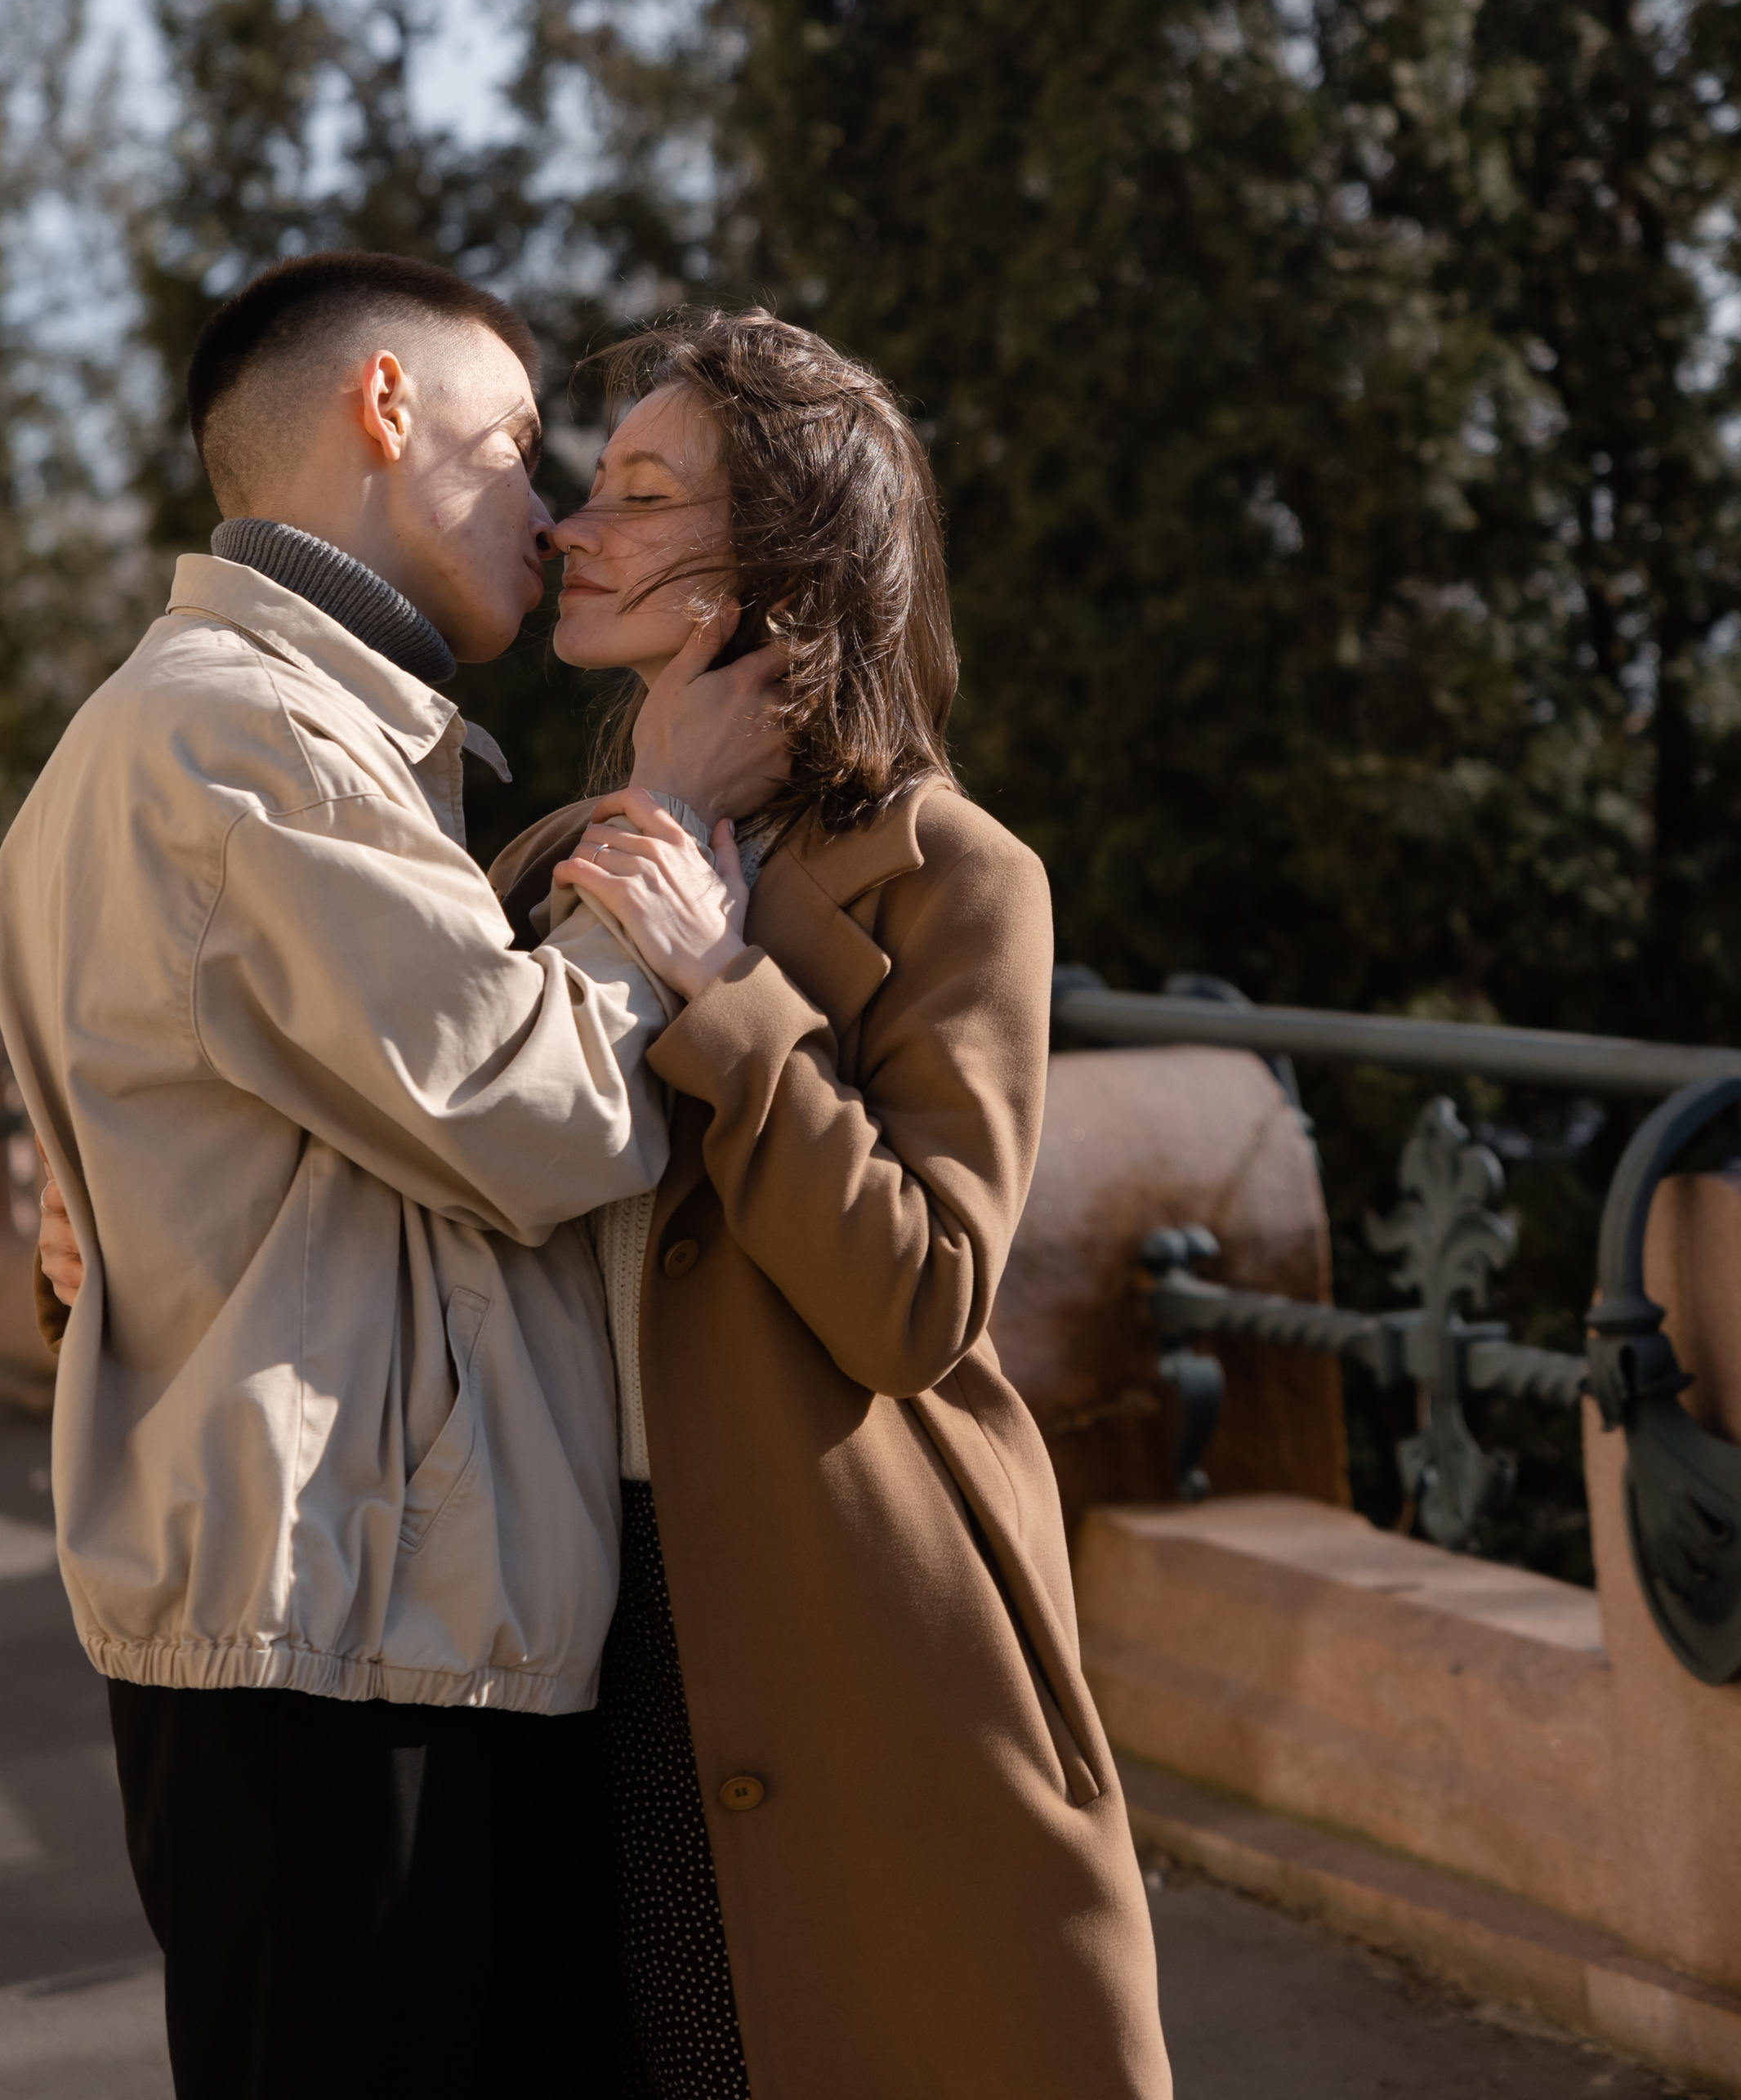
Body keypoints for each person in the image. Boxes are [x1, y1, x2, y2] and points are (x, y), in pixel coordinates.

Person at [9, 252, 775, 2100]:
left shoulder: (296, 732)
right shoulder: (238, 729)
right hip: (336, 1660)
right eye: (516, 448)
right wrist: (669, 831)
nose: (552, 509)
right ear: (382, 411)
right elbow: (534, 1115)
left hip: (381, 1628)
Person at [495, 307, 1173, 2100]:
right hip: (570, 1616)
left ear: (785, 562)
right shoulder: (531, 863)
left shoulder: (957, 880)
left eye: (640, 493)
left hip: (856, 1629)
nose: (575, 526)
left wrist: (726, 989)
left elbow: (915, 1300)